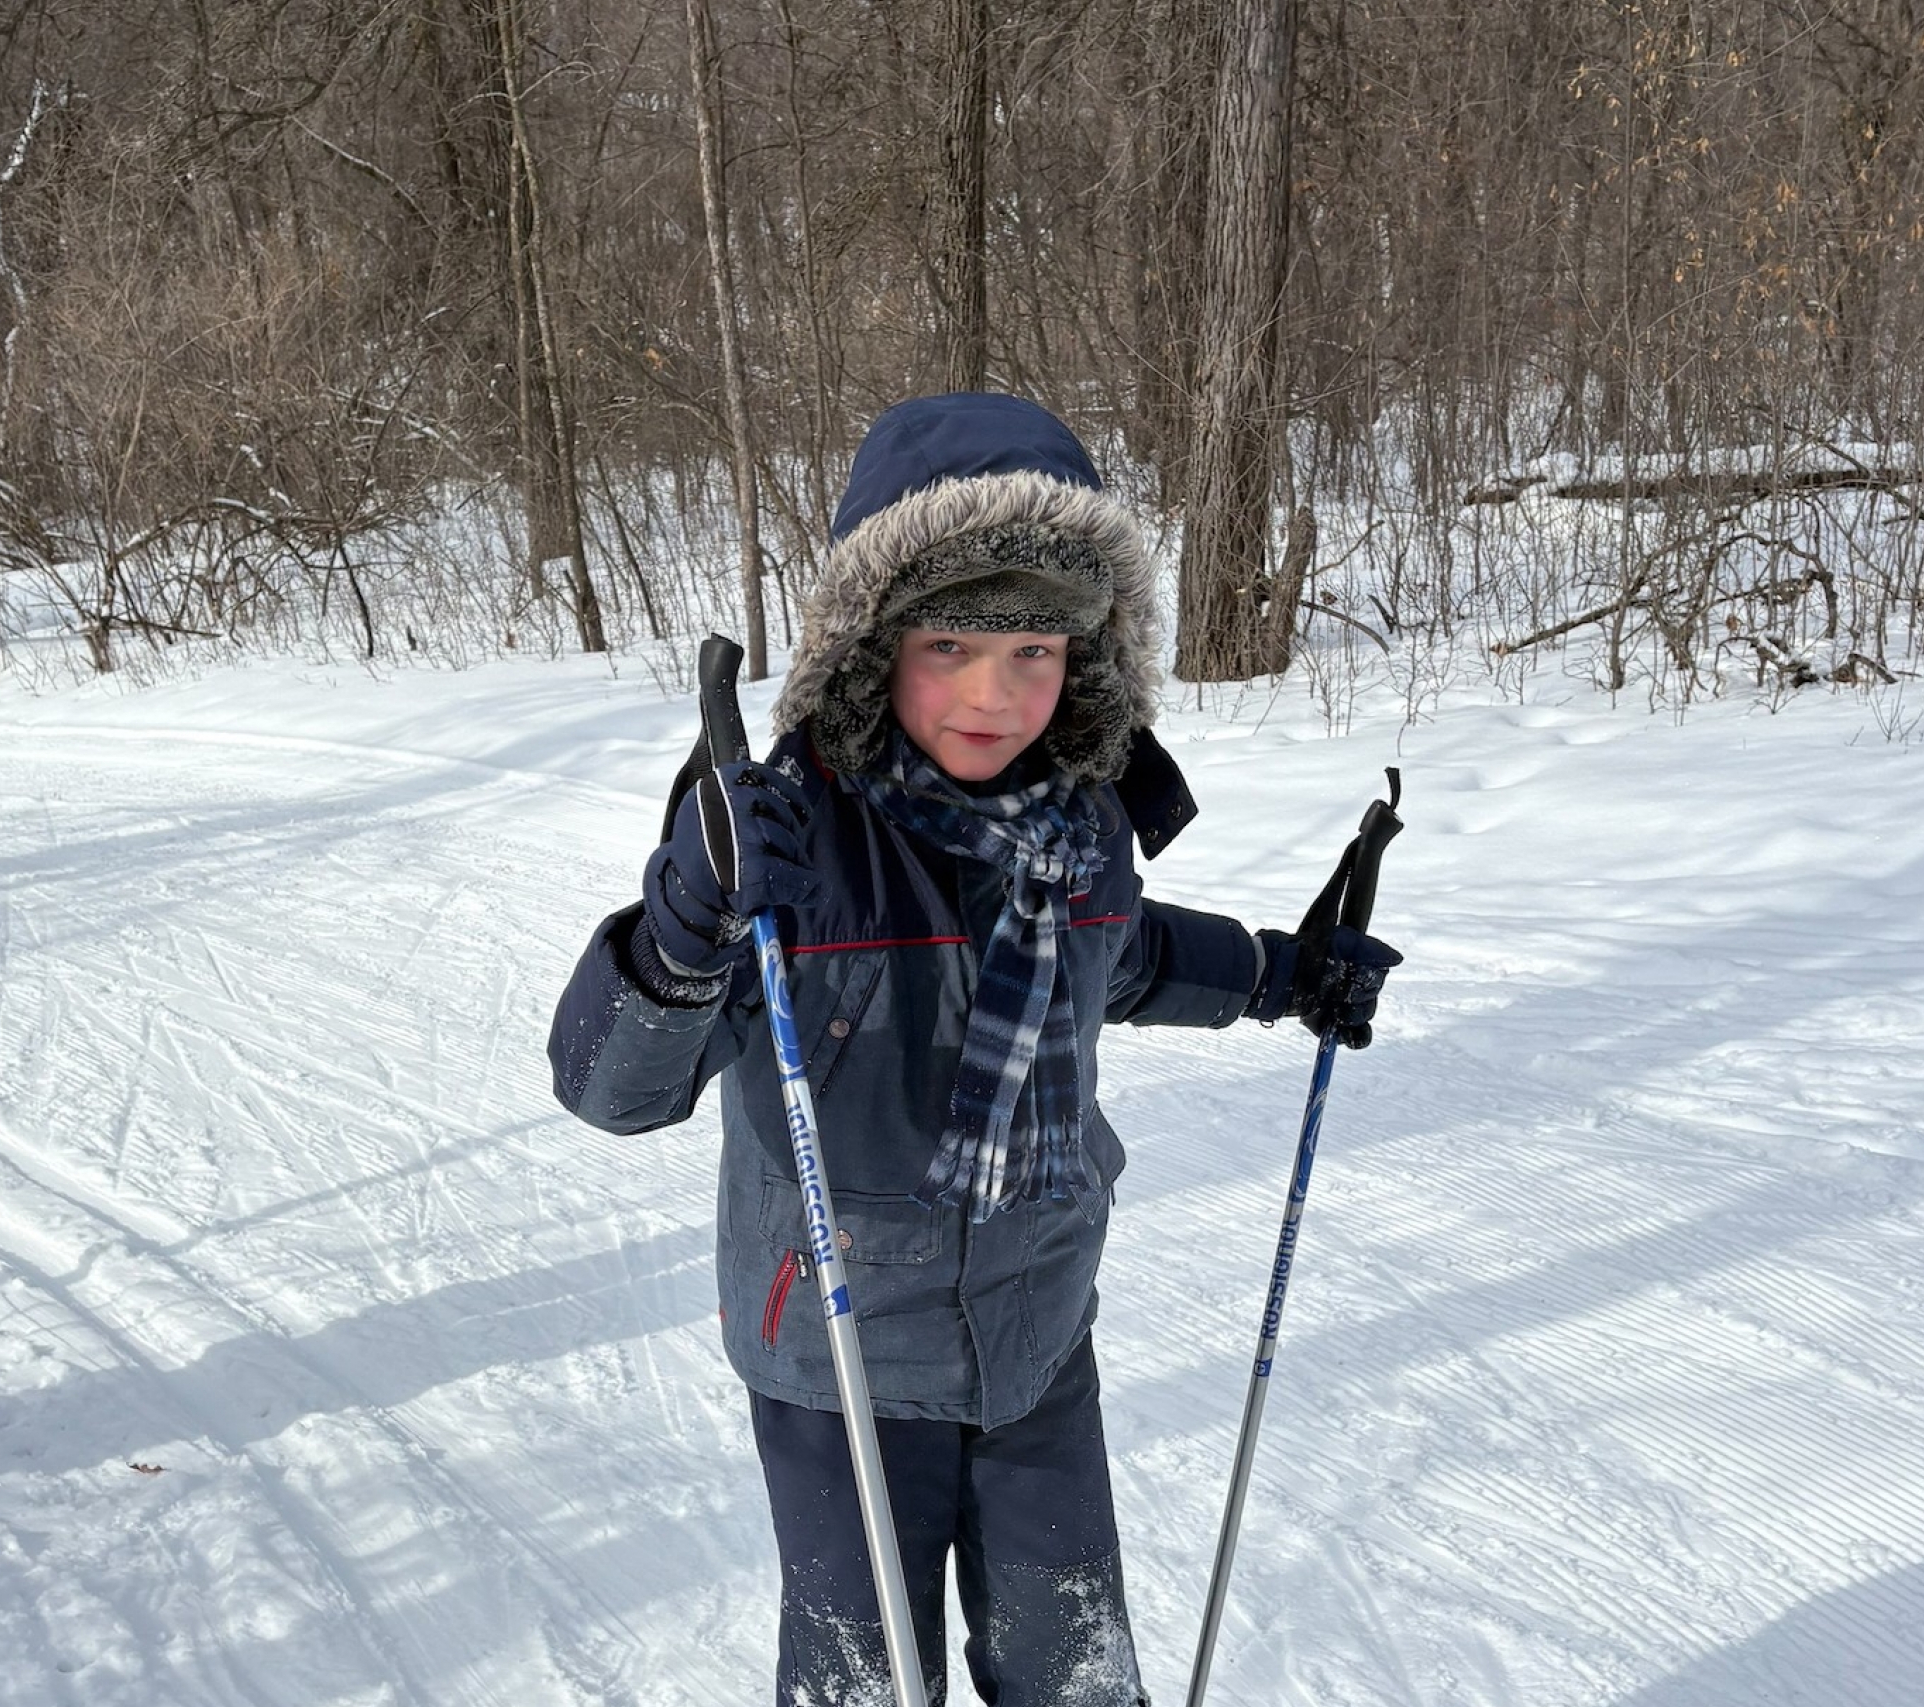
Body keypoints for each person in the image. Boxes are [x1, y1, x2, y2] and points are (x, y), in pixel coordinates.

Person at [546, 392, 1399, 1707]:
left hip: (1035, 1329)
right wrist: (679, 929)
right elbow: (614, 1089)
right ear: (870, 646)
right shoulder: (785, 846)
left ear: (1086, 657)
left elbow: (1125, 955)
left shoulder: (1080, 829)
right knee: (866, 1681)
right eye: (949, 645)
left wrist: (1286, 972)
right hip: (842, 1358)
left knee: (1075, 1668)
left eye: (1036, 651)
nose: (995, 695)